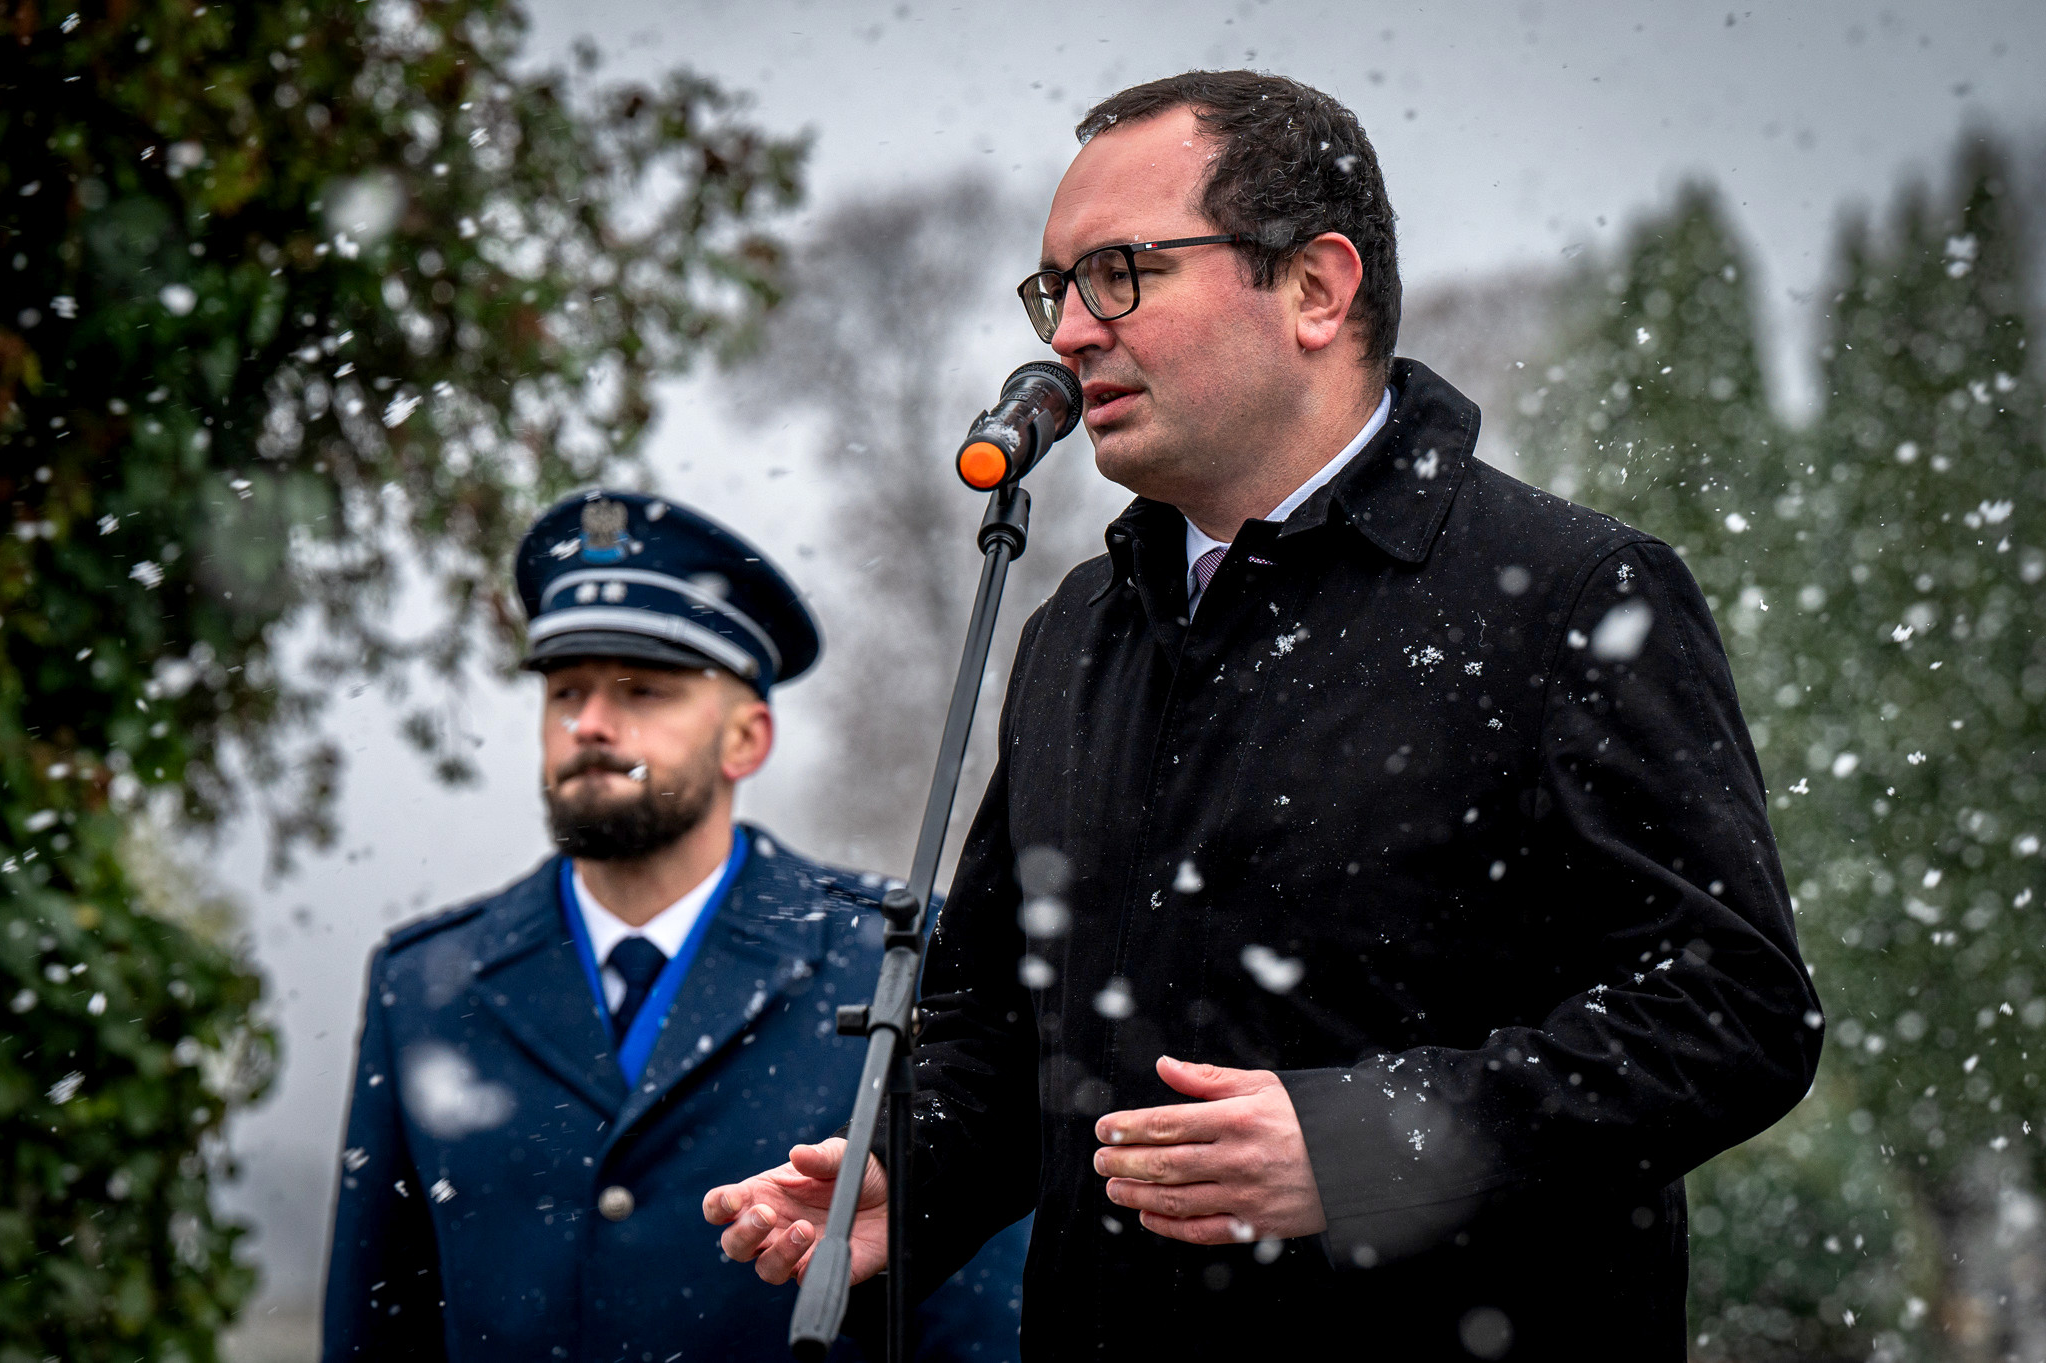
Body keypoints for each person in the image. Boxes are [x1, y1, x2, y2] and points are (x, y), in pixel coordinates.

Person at [705, 71, 1823, 1360]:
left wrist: (1367, 1144)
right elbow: (1003, 1030)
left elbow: (1730, 1010)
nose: (1070, 333)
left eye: (1118, 274)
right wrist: (912, 1174)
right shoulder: (1075, 627)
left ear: (1314, 287)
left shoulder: (1568, 594)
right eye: (1055, 288)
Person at [322, 491, 1026, 1362]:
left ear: (746, 739)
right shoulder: (425, 984)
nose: (590, 723)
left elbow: (976, 1327)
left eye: (642, 690)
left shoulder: (892, 956)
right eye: (566, 690)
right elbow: (377, 1327)